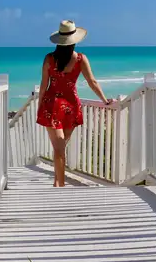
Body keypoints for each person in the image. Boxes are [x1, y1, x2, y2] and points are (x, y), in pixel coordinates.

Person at [36, 20, 112, 187]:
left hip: (52, 105)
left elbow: (43, 86)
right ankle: (60, 185)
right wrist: (105, 100)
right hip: (70, 106)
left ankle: (58, 184)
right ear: (74, 40)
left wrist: (40, 106)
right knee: (60, 148)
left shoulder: (49, 58)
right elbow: (92, 82)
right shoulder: (80, 59)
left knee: (59, 148)